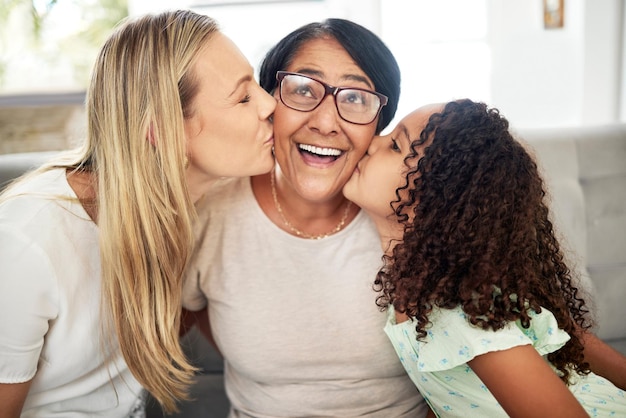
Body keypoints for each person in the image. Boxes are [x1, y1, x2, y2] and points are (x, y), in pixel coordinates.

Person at [0, 9, 275, 417]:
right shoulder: (26, 244)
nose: (270, 104)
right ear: (163, 132)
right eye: (243, 95)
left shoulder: (187, 205)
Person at [182, 18, 428, 417]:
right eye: (302, 89)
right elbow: (167, 321)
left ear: (379, 125)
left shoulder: (413, 217)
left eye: (355, 98)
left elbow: (462, 383)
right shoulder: (209, 210)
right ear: (267, 103)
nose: (326, 122)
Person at [343, 99, 626, 417]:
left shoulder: (462, 317)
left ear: (434, 200)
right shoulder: (422, 289)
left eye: (394, 145)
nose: (372, 141)